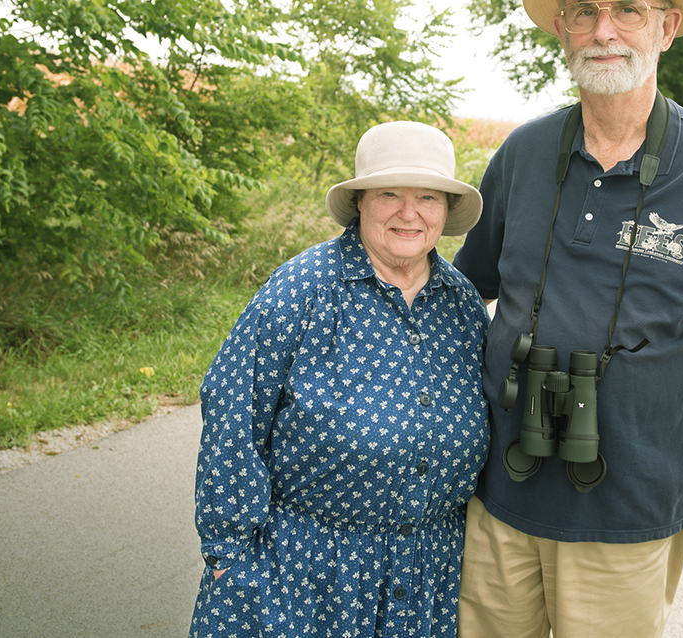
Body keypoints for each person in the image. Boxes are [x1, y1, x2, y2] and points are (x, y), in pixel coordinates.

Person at [452, 0, 683, 638]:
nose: (603, 31)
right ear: (560, 27)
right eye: (584, 11)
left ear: (666, 28)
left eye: (628, 10)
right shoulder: (523, 152)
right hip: (499, 502)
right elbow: (460, 295)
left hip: (630, 515)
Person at [189, 120, 491, 638]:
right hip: (306, 574)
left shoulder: (462, 304)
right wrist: (228, 553)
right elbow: (232, 407)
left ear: (445, 210)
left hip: (429, 577)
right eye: (389, 194)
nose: (409, 212)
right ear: (360, 203)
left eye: (427, 197)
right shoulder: (303, 289)